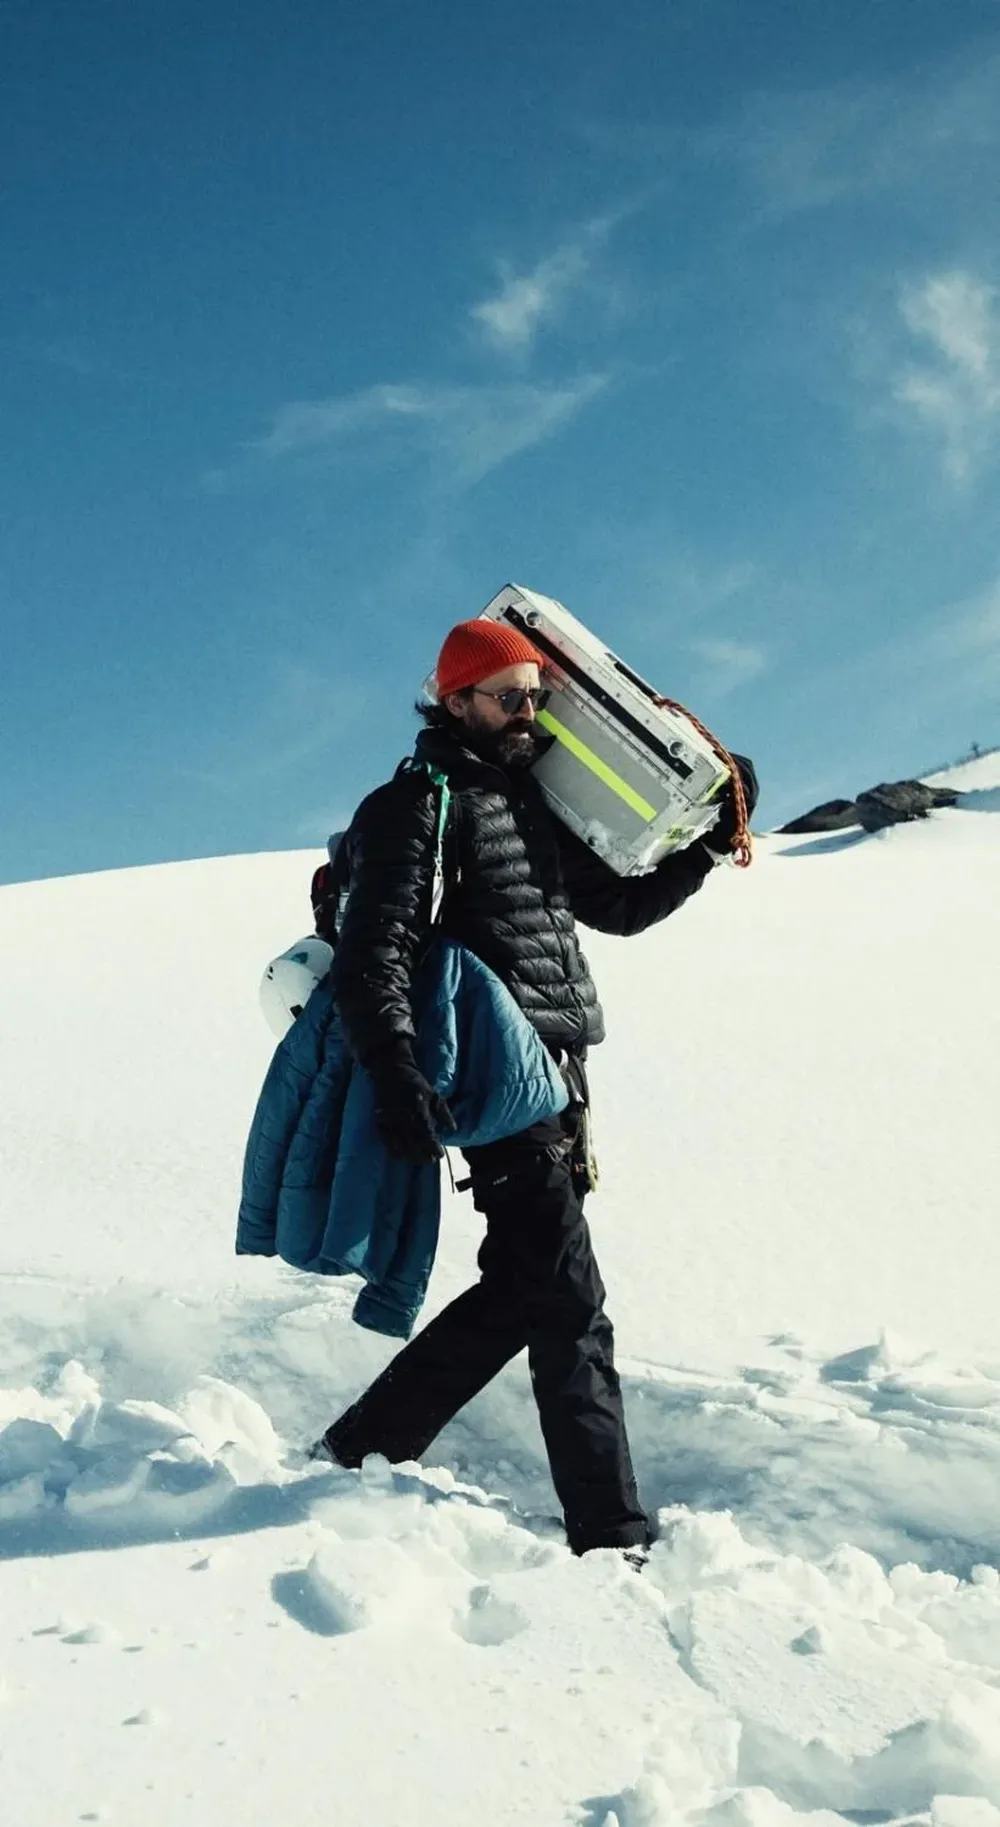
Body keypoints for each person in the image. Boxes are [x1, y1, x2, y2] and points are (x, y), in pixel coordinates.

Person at [311, 616, 757, 1559]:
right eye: (509, 696)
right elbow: (374, 957)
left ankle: (359, 1447)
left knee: (525, 1287)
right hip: (494, 1076)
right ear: (454, 699)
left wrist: (710, 843)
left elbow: (619, 907)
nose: (529, 713)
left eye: (538, 697)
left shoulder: (527, 803)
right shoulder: (418, 805)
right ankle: (612, 1532)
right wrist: (399, 1079)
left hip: (558, 1075)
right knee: (571, 1304)